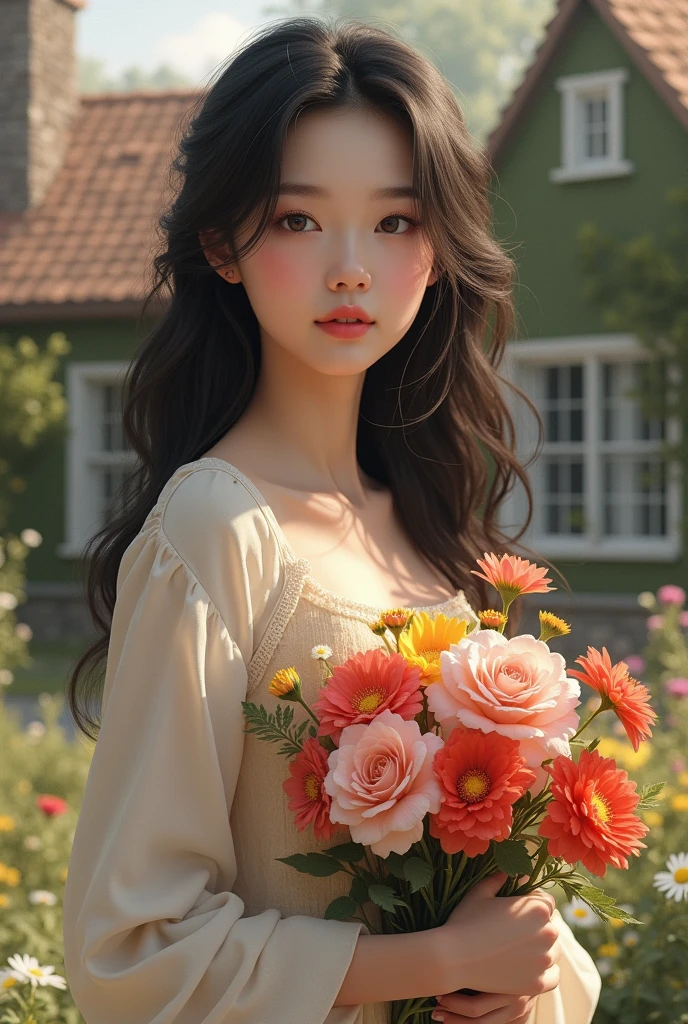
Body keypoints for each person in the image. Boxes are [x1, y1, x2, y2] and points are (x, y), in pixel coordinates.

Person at [62, 16, 602, 1024]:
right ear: (222, 243)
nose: (350, 266)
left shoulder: (437, 542)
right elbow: (125, 949)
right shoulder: (216, 529)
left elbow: (526, 939)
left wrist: (513, 985)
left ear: (438, 252)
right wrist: (431, 959)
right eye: (298, 220)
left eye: (395, 222)